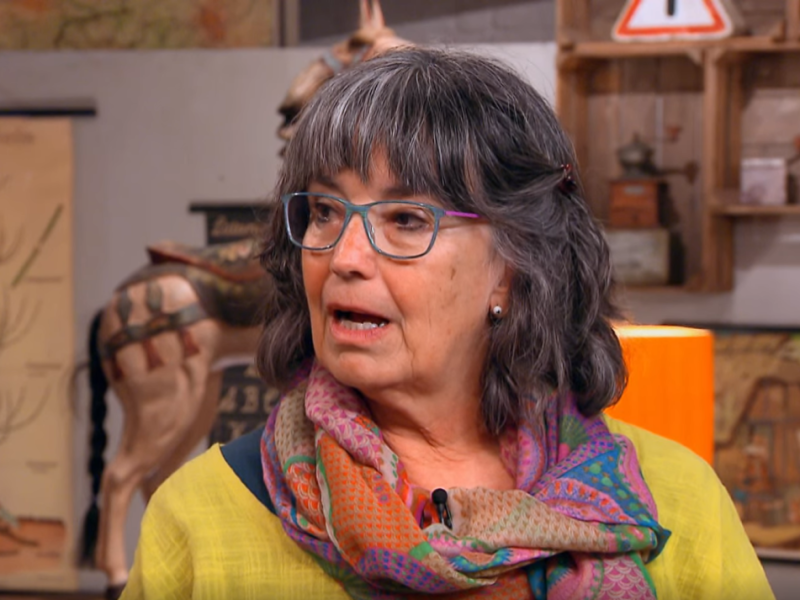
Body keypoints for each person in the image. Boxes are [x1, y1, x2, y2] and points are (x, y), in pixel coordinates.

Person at [121, 47, 774, 600]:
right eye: (324, 211)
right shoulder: (202, 516)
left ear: (512, 267)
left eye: (406, 219)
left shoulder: (677, 500)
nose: (344, 258)